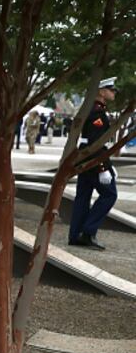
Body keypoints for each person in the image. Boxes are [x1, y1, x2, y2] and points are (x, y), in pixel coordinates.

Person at [68, 77, 119, 251]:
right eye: (111, 90)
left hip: (85, 158)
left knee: (83, 196)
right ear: (101, 92)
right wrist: (103, 168)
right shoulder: (97, 112)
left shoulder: (92, 108)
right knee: (109, 195)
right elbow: (95, 144)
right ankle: (88, 232)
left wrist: (109, 165)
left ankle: (75, 235)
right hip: (92, 159)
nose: (114, 93)